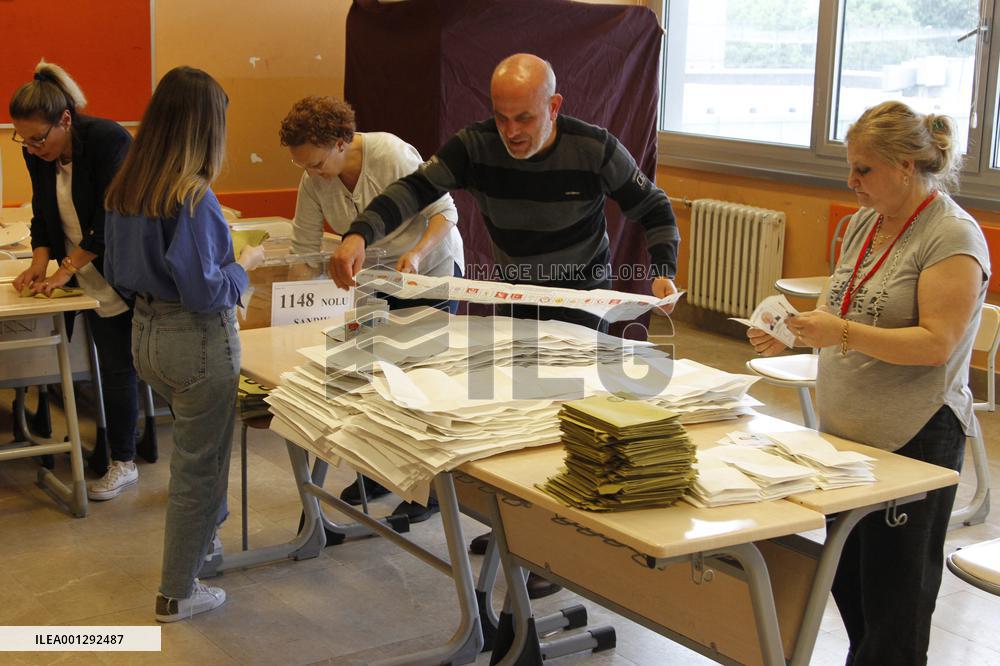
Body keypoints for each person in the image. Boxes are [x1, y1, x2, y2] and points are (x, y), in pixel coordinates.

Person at [330, 53, 682, 598]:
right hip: (515, 302)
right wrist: (358, 233)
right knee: (514, 423)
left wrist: (661, 272)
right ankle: (516, 531)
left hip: (581, 309)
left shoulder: (594, 148)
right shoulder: (475, 146)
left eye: (525, 118)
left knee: (564, 429)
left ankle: (552, 553)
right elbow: (415, 191)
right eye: (501, 117)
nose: (512, 132)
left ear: (555, 106)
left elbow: (653, 208)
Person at [748, 101, 989, 665]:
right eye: (850, 167)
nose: (850, 181)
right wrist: (797, 333)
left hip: (915, 436)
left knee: (896, 609)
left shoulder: (952, 235)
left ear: (906, 165)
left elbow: (936, 345)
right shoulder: (865, 220)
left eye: (864, 169)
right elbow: (846, 308)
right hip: (846, 439)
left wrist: (841, 335)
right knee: (849, 586)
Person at [104, 66, 265, 622]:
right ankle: (177, 591)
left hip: (146, 337)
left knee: (199, 456)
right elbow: (205, 292)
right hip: (195, 340)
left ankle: (205, 549)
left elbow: (118, 272)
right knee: (201, 467)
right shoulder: (192, 194)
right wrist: (244, 268)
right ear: (205, 127)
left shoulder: (127, 185)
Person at [279, 95, 466, 523]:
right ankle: (381, 472)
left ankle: (432, 491)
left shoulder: (391, 153)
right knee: (375, 381)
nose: (312, 174)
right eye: (303, 166)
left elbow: (445, 212)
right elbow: (303, 251)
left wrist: (417, 254)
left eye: (317, 163)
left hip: (428, 270)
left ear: (343, 141)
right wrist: (291, 311)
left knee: (422, 383)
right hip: (375, 278)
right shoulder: (313, 182)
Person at [9, 61, 140, 501]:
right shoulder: (38, 154)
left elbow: (112, 219)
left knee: (120, 363)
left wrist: (64, 268)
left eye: (38, 138)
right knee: (107, 361)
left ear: (65, 119)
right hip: (81, 267)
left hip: (122, 268)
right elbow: (43, 213)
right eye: (22, 139)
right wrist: (39, 263)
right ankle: (118, 452)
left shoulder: (108, 140)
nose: (30, 147)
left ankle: (124, 462)